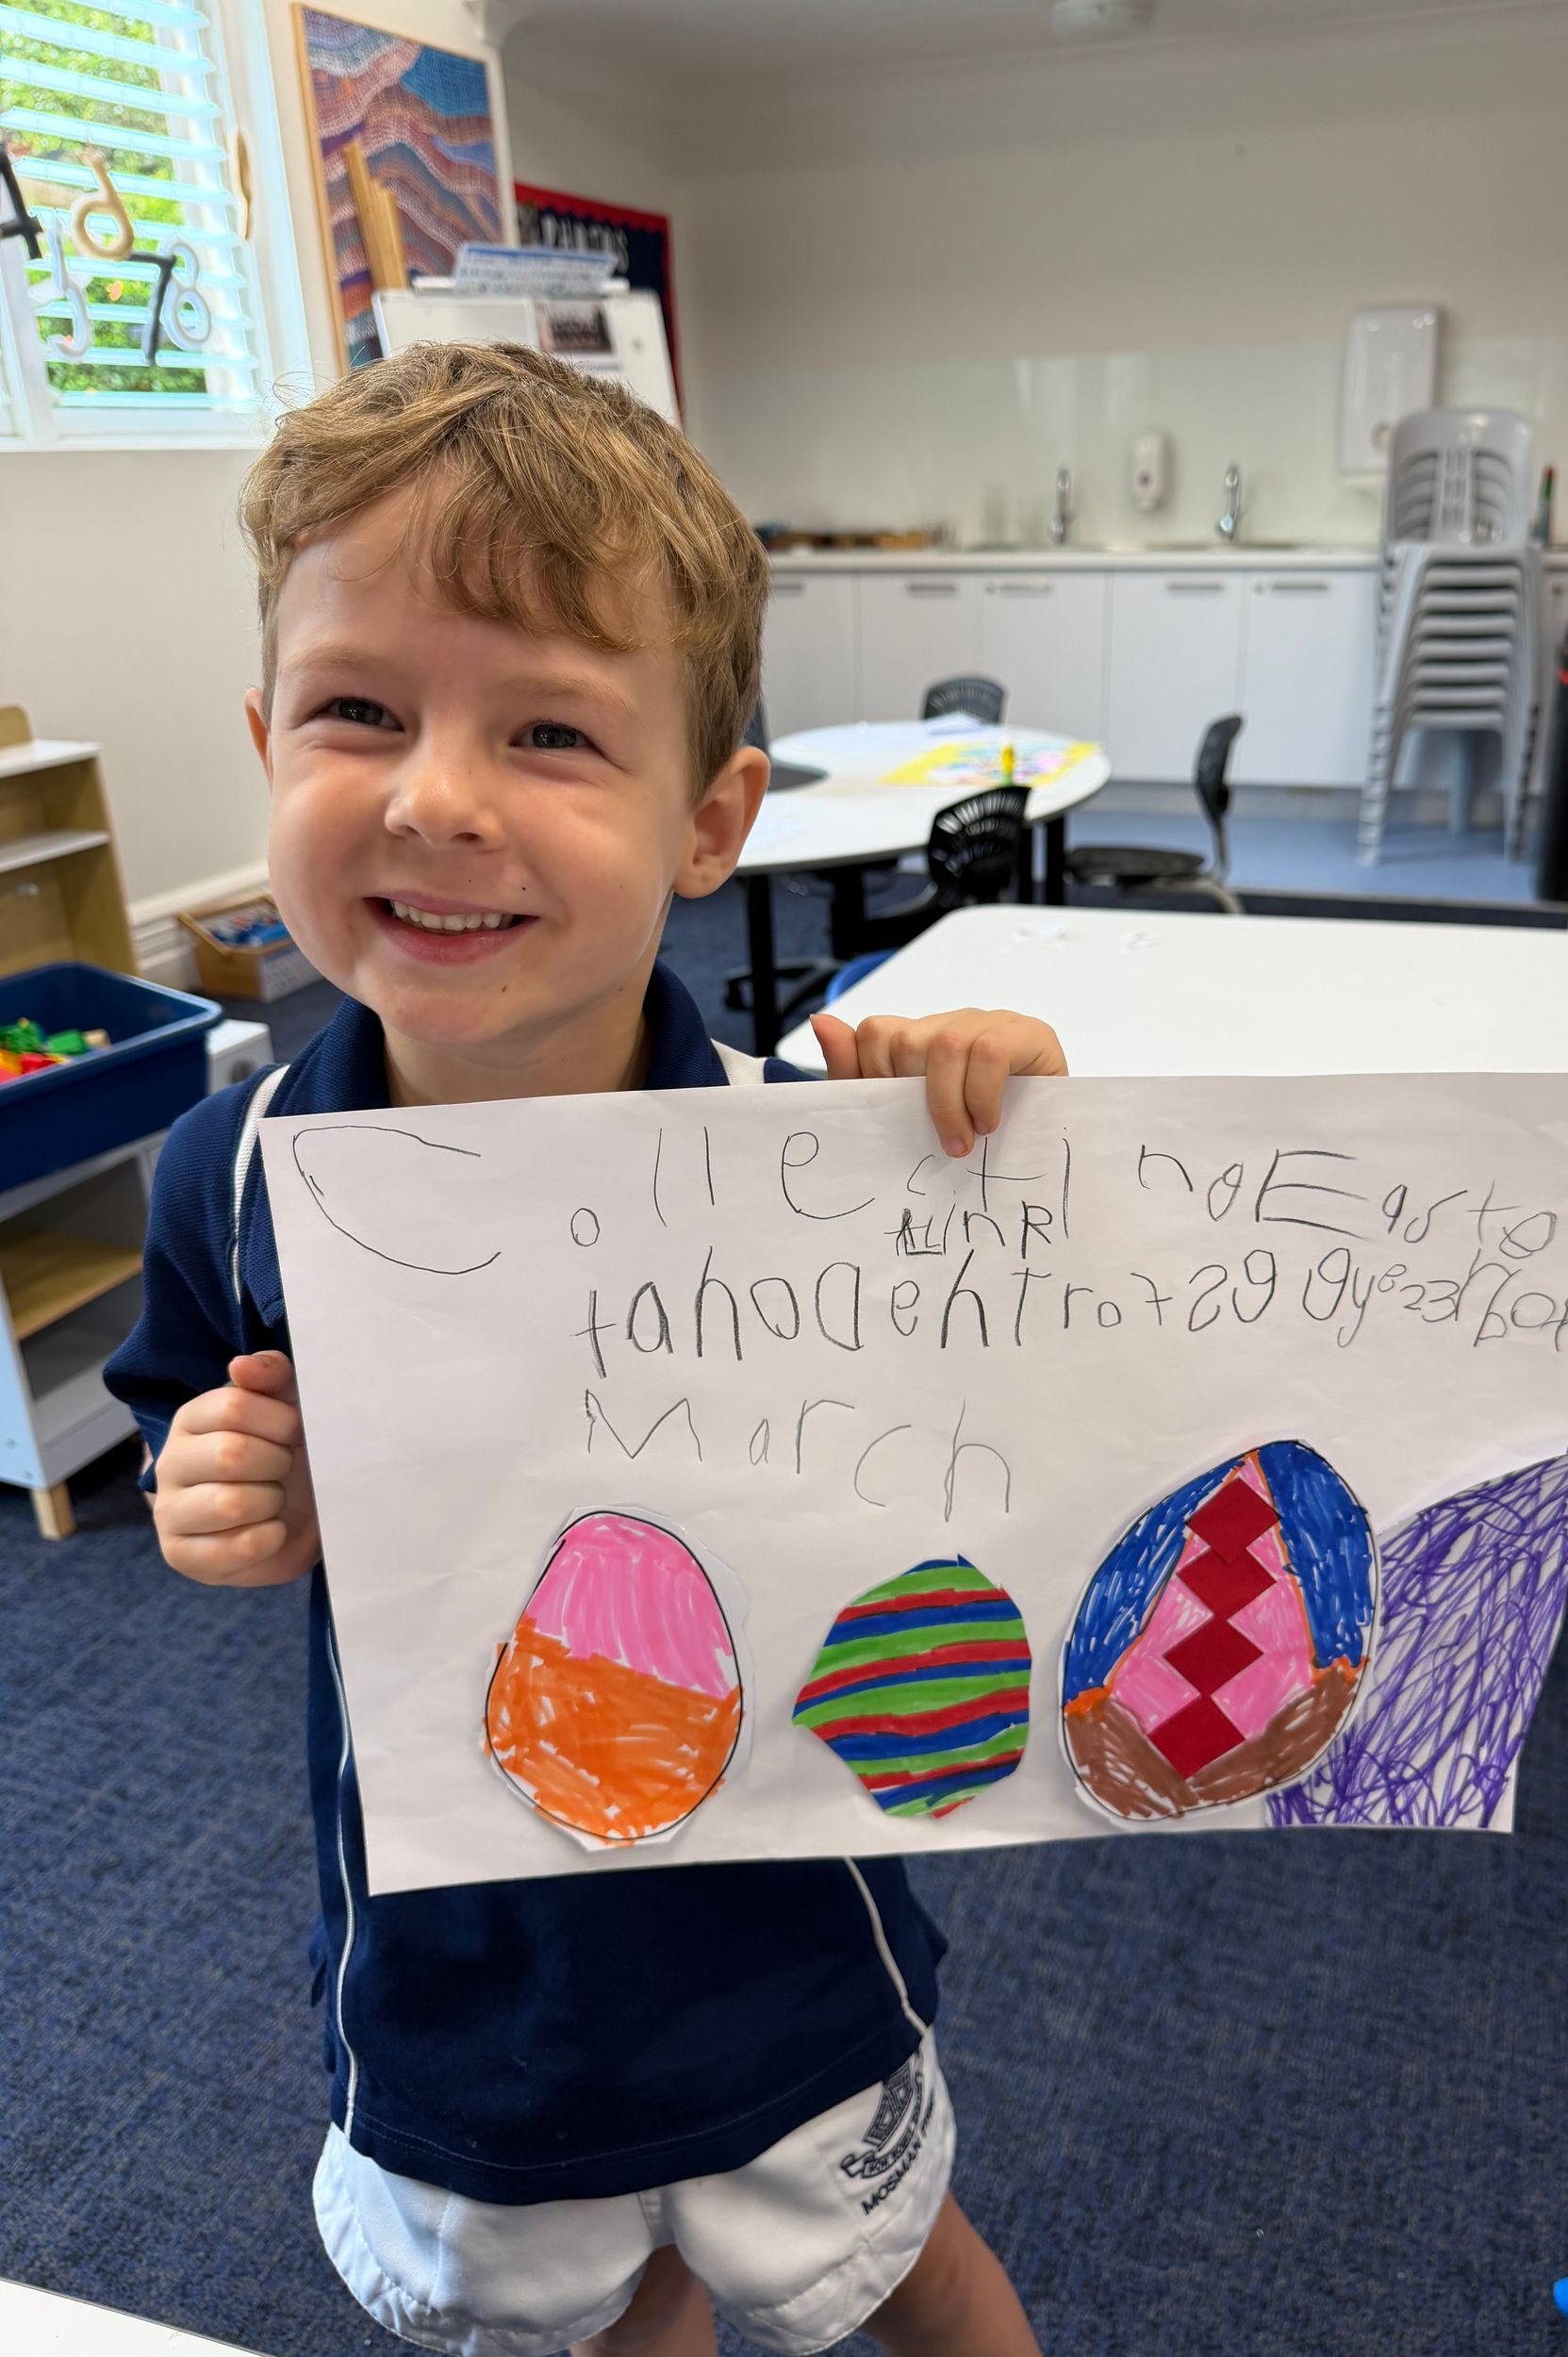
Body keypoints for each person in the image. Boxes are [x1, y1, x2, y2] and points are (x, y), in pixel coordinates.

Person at [105, 342, 1057, 2357]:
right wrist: (224, 1493)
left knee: (910, 2264)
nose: (434, 796)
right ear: (266, 741)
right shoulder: (232, 1174)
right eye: (359, 710)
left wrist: (985, 1123)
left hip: (782, 1925)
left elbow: (1018, 1408)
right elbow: (191, 1419)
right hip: (475, 1952)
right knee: (612, 2320)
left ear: (708, 820)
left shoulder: (822, 1146)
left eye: (547, 729)